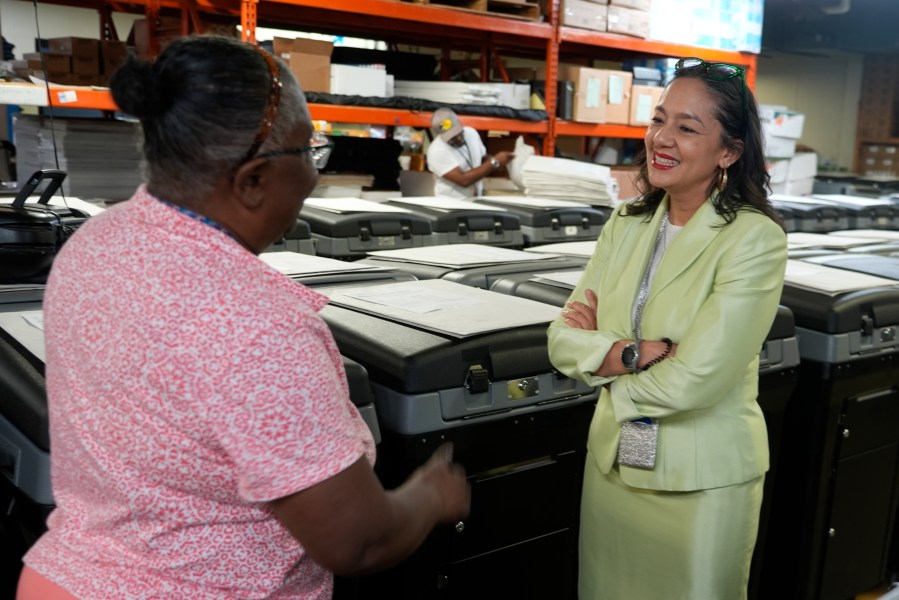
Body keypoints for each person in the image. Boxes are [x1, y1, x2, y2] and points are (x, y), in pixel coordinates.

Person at [18, 35, 470, 600]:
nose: (313, 174)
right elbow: (359, 542)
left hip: (68, 580)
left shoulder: (96, 243)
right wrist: (431, 495)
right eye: (309, 152)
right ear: (252, 180)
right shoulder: (252, 323)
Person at [547, 57, 787, 599]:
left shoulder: (753, 240)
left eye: (687, 127)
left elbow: (696, 378)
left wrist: (602, 360)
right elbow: (561, 338)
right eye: (660, 119)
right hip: (613, 468)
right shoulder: (626, 223)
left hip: (699, 485)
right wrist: (636, 354)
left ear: (730, 151)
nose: (663, 137)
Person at [426, 107, 514, 198]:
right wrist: (494, 162)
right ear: (441, 135)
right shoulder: (436, 151)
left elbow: (482, 158)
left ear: (460, 124)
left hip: (475, 200)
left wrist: (499, 162)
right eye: (452, 138)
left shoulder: (471, 133)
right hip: (451, 204)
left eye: (459, 133)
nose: (458, 139)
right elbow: (463, 180)